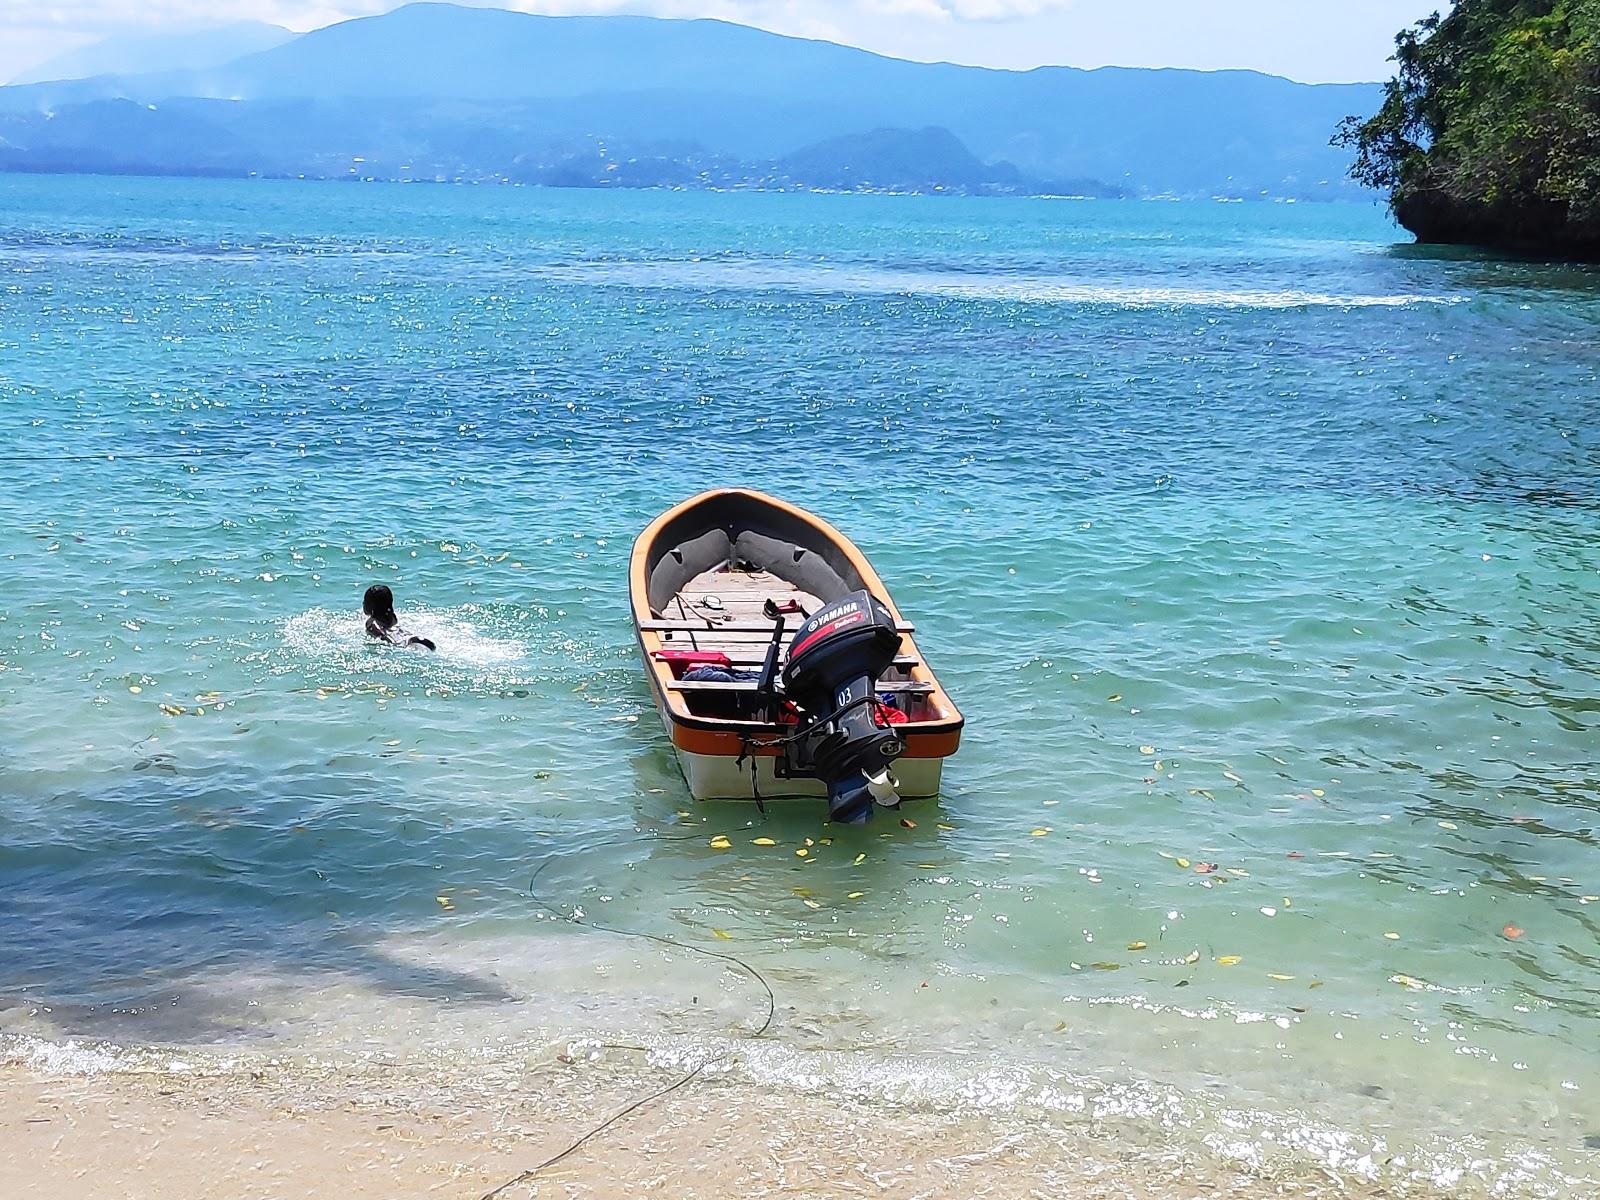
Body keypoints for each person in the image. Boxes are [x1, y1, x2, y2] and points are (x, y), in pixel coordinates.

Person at [362, 584, 436, 651]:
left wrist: (395, 645)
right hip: (404, 635)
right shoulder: (392, 617)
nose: (363, 603)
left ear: (371, 605)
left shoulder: (371, 622)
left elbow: (382, 635)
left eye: (365, 601)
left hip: (397, 641)